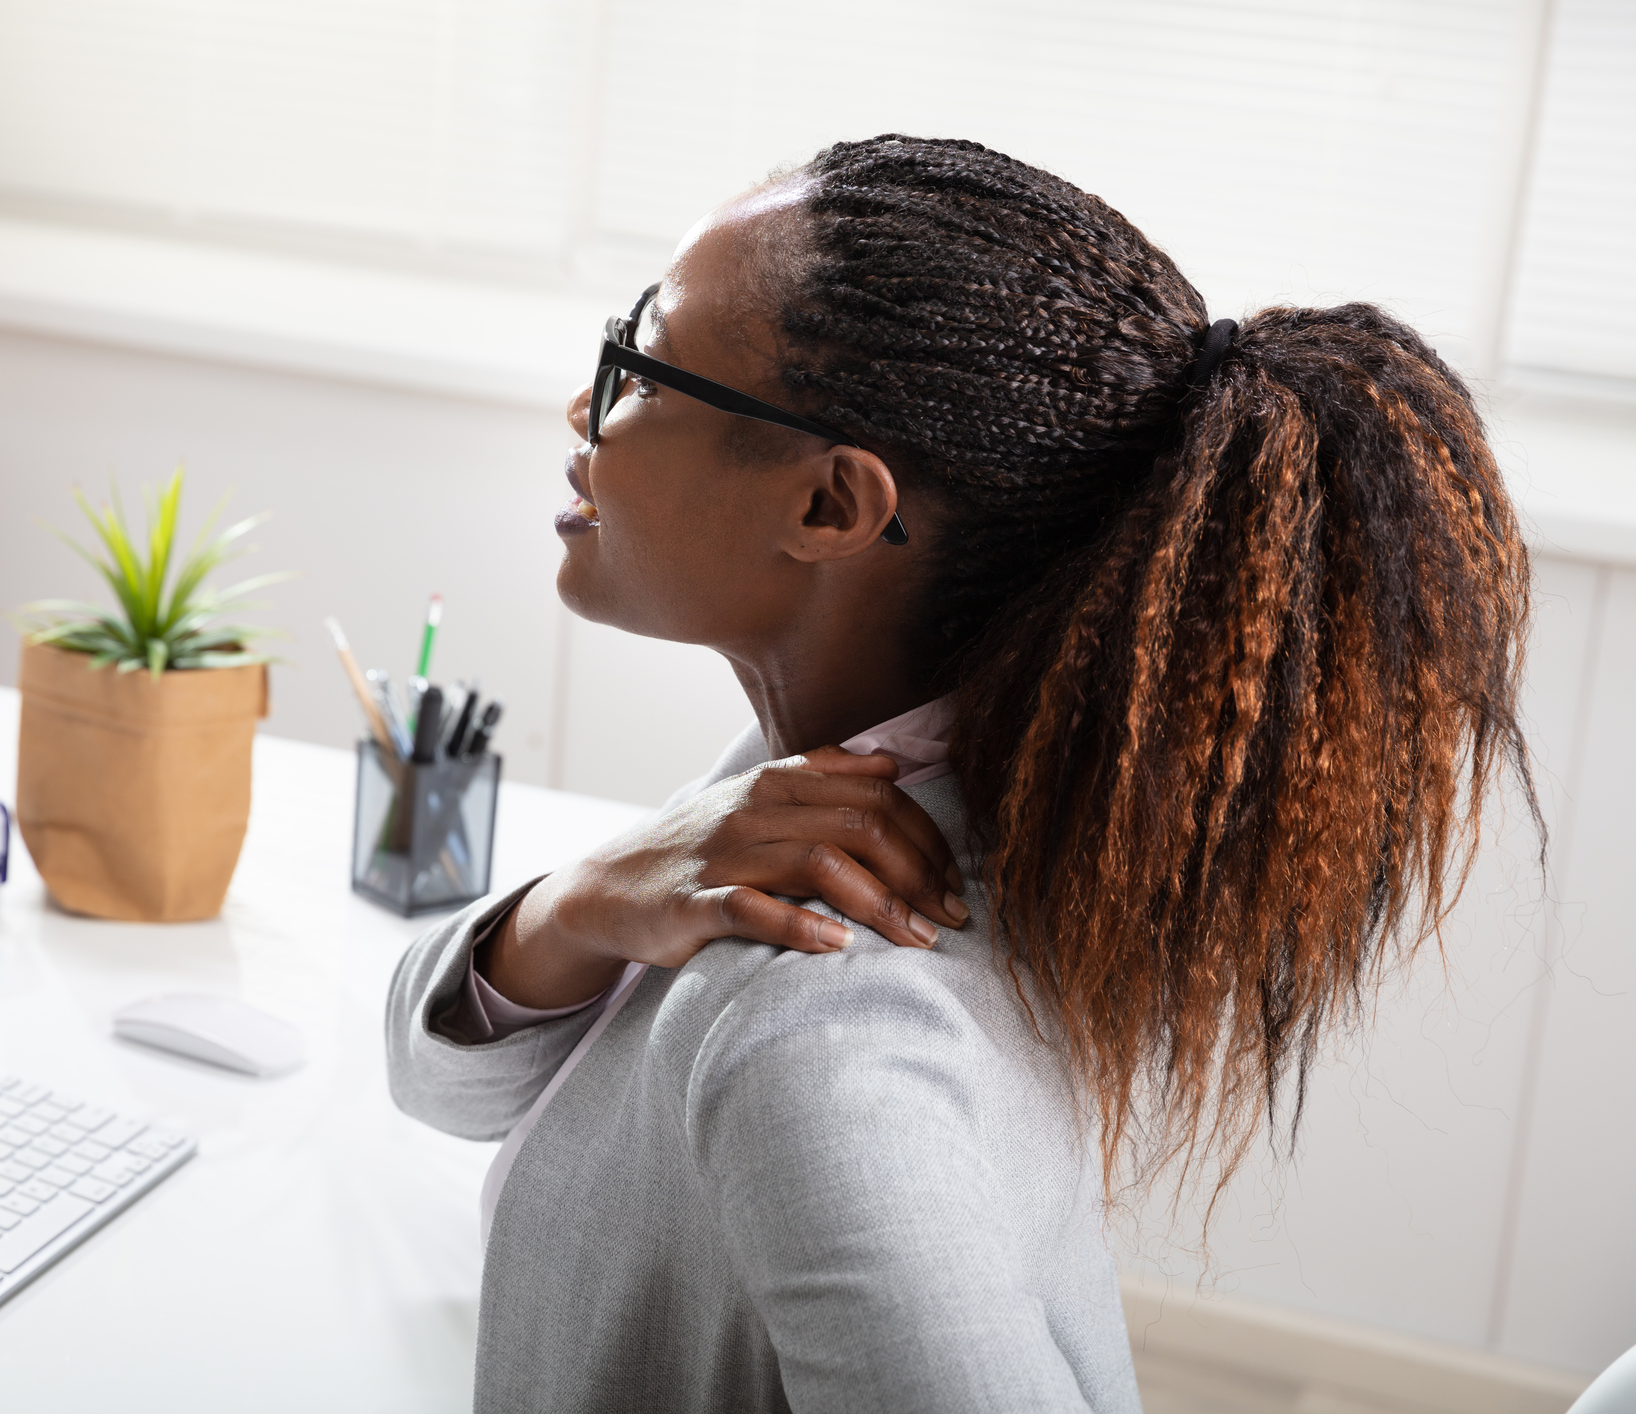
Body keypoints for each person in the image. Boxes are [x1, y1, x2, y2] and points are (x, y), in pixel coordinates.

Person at [385, 135, 1533, 1413]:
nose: (582, 411)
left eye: (637, 359)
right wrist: (586, 898)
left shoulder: (824, 1017)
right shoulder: (825, 790)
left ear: (830, 506)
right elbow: (440, 1076)